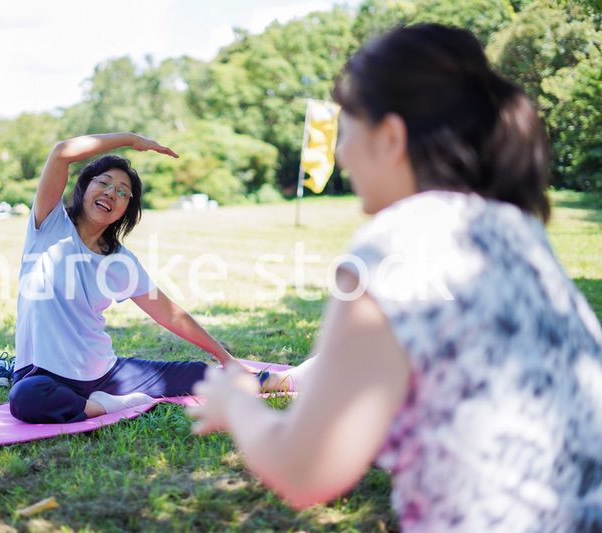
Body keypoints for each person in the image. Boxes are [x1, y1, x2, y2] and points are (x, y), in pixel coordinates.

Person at [188, 24, 602, 532]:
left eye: (348, 129)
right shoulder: (517, 230)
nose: (340, 152)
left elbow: (304, 471)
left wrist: (239, 404)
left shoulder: (394, 244)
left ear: (390, 137)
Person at [8, 132, 287, 423]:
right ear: (83, 186)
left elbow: (170, 315)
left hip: (104, 373)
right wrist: (130, 139)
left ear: (126, 209)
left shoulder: (120, 261)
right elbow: (61, 152)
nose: (110, 193)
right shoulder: (50, 224)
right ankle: (105, 407)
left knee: (196, 374)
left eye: (122, 192)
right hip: (44, 375)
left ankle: (283, 381)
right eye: (103, 183)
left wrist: (226, 358)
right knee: (26, 398)